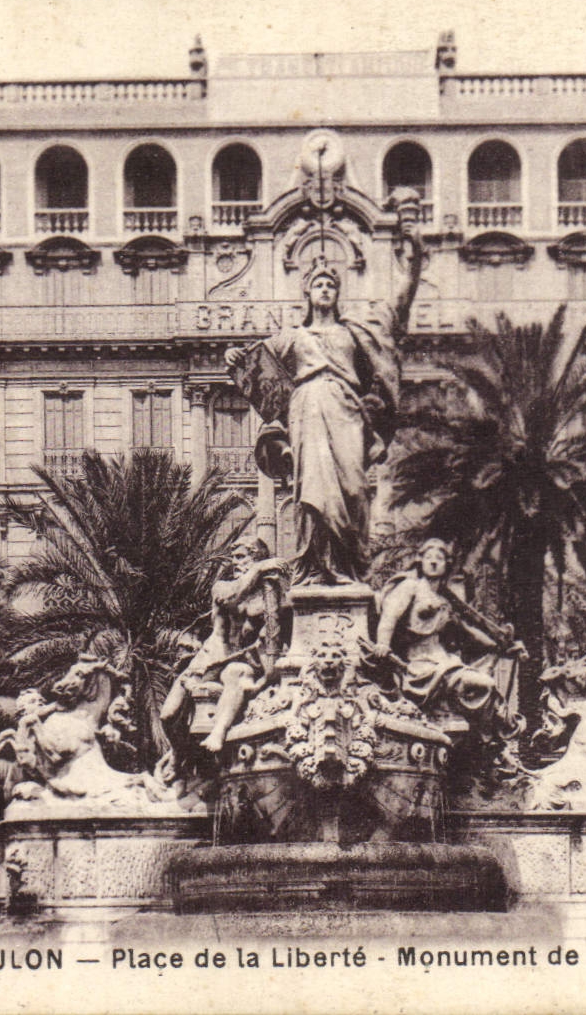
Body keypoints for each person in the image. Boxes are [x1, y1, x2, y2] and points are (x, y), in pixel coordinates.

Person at [225, 222, 424, 585]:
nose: (325, 289)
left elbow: (399, 307)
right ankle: (315, 572)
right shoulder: (293, 337)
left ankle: (349, 569)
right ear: (307, 292)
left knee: (353, 490)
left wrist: (413, 256)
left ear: (338, 293)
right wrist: (233, 355)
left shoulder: (353, 333)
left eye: (331, 284)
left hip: (347, 411)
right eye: (318, 284)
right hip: (307, 408)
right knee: (311, 491)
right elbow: (256, 365)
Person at [369, 538, 522, 731]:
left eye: (439, 558)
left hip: (444, 661)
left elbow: (468, 633)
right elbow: (389, 616)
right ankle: (506, 724)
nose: (433, 562)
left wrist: (502, 647)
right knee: (483, 683)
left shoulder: (446, 601)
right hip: (419, 665)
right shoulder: (410, 587)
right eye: (429, 557)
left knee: (485, 684)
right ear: (420, 561)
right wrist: (383, 643)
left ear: (446, 564)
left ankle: (494, 733)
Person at [159, 539, 284, 752]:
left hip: (243, 659)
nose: (234, 562)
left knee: (235, 674)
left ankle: (218, 733)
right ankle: (179, 757)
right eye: (234, 557)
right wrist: (259, 568)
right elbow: (232, 597)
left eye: (240, 557)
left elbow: (277, 627)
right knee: (167, 714)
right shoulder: (222, 587)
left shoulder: (268, 594)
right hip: (210, 657)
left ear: (256, 557)